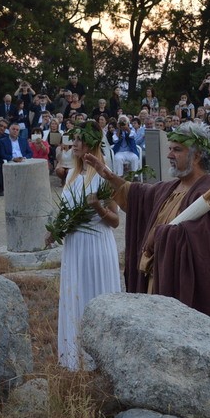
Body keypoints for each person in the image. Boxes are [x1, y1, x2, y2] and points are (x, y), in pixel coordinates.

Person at [84, 120, 210, 319]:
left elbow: (206, 246)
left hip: (188, 292)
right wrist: (109, 176)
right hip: (158, 281)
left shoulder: (209, 192)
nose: (169, 155)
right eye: (170, 149)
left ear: (196, 156)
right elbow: (138, 196)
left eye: (177, 150)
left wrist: (159, 235)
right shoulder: (171, 187)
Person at [53, 121, 122, 370]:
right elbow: (66, 212)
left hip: (96, 246)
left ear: (91, 144)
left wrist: (99, 208)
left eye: (79, 140)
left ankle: (101, 358)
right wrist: (56, 230)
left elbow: (115, 221)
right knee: (75, 295)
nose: (74, 144)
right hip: (74, 247)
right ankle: (75, 357)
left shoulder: (104, 175)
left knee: (96, 295)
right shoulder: (71, 174)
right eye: (73, 139)